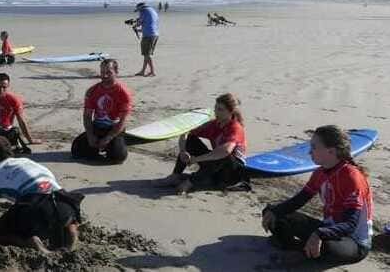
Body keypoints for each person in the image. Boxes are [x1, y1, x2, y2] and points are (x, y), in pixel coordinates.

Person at [262, 125, 372, 266]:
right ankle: (296, 248)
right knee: (272, 212)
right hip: (327, 229)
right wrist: (275, 211)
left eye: (314, 147)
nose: (309, 152)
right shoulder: (320, 172)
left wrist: (319, 234)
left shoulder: (352, 177)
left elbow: (350, 224)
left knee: (329, 247)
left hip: (353, 242)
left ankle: (309, 254)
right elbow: (299, 200)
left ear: (331, 151)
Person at [0, 136, 83, 253]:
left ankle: (33, 242)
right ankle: (71, 233)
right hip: (64, 203)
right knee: (68, 219)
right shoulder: (27, 161)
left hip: (36, 208)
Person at [154, 93, 247, 194]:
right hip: (216, 166)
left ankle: (189, 183)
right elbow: (186, 132)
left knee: (222, 155)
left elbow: (225, 151)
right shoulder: (215, 124)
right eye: (215, 108)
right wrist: (183, 151)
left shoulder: (235, 128)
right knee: (191, 139)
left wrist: (196, 159)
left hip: (231, 174)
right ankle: (175, 176)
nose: (216, 112)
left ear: (231, 112)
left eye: (220, 110)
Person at [71, 59, 132, 164]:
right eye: (102, 72)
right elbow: (87, 116)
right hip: (97, 127)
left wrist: (108, 138)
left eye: (109, 72)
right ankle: (96, 148)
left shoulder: (123, 93)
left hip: (114, 128)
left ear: (116, 72)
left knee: (118, 157)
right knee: (76, 151)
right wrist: (90, 135)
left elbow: (123, 121)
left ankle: (110, 146)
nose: (105, 76)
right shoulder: (92, 91)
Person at [133, 2, 159, 77]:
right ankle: (143, 71)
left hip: (148, 36)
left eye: (138, 10)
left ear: (140, 8)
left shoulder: (143, 11)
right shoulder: (152, 11)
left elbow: (139, 23)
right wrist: (138, 30)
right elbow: (149, 25)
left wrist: (135, 24)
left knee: (147, 54)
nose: (138, 12)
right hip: (155, 34)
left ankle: (152, 72)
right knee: (146, 54)